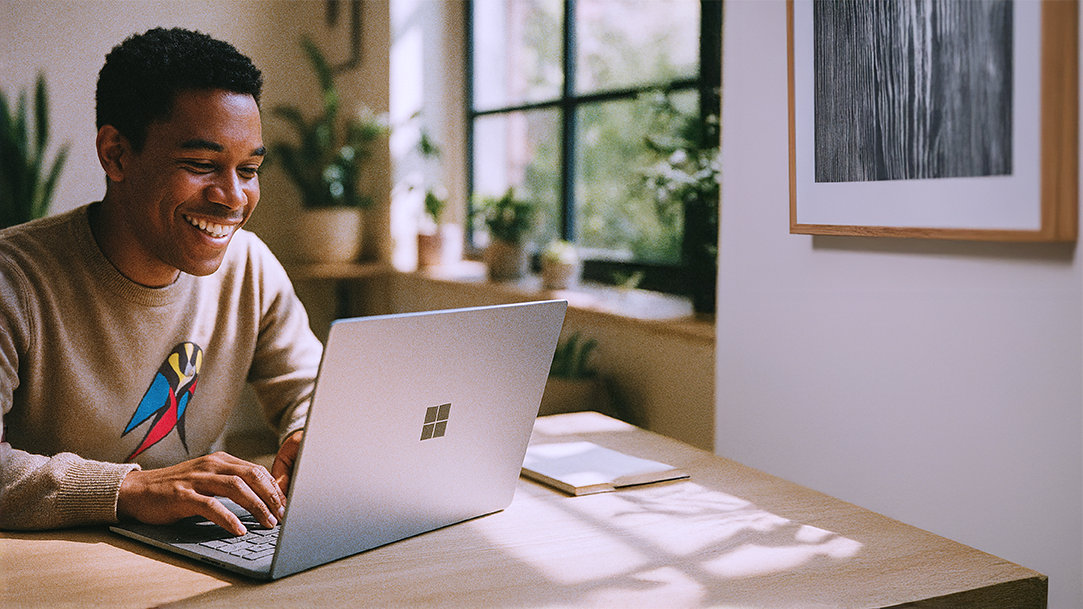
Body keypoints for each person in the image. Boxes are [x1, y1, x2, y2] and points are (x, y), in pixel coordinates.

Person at [0, 27, 324, 537]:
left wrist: (310, 432)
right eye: (201, 165)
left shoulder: (249, 266)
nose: (233, 198)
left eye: (250, 169)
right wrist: (131, 488)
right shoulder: (12, 281)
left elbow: (311, 388)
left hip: (198, 548)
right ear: (117, 155)